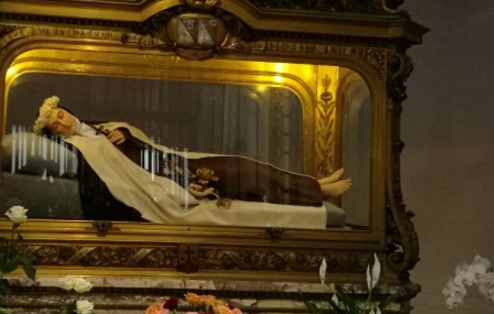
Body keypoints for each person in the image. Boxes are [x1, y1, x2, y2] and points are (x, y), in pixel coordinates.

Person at [33, 96, 352, 229]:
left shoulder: (102, 127)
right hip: (173, 179)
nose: (63, 123)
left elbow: (142, 143)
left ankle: (314, 186)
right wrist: (180, 190)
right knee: (243, 177)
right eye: (56, 126)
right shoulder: (85, 149)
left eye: (61, 115)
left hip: (176, 162)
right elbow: (127, 183)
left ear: (66, 110)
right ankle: (316, 193)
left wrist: (125, 134)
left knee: (242, 166)